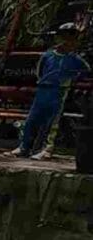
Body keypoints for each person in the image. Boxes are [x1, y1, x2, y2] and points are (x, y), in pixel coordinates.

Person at [6, 23, 90, 160]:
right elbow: (39, 71)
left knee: (52, 123)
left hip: (60, 91)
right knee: (32, 119)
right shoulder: (48, 55)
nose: (67, 41)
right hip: (43, 89)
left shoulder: (75, 59)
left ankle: (46, 150)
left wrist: (73, 79)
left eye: (71, 38)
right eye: (64, 37)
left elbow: (86, 70)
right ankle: (24, 147)